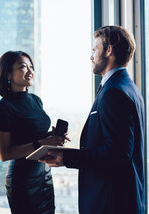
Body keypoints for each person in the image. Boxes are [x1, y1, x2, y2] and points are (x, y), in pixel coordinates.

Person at [40, 26, 145, 214]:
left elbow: (117, 154)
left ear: (109, 50)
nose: (91, 57)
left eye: (94, 50)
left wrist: (67, 158)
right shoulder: (129, 88)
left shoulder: (114, 92)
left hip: (111, 203)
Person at [0, 51, 67, 214]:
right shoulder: (3, 108)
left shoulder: (35, 100)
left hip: (44, 174)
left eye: (31, 66)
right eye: (23, 67)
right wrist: (41, 143)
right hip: (22, 180)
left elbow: (31, 135)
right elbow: (4, 153)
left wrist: (50, 137)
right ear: (8, 73)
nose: (30, 71)